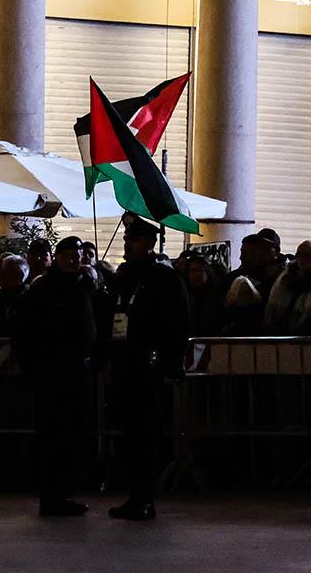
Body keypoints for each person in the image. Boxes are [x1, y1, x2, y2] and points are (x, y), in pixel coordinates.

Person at [107, 215, 189, 521]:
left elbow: (178, 324)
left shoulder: (164, 278)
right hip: (124, 365)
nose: (128, 245)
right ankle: (133, 493)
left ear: (150, 244)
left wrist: (172, 362)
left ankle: (144, 497)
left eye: (135, 240)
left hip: (148, 366)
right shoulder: (124, 275)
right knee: (128, 434)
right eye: (127, 240)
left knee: (146, 435)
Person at [10, 236, 96, 516]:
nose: (74, 259)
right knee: (54, 437)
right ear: (57, 257)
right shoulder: (43, 289)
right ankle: (52, 495)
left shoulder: (82, 287)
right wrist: (34, 368)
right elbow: (24, 330)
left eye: (78, 255)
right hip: (53, 374)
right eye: (68, 254)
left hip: (77, 372)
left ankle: (65, 492)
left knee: (72, 436)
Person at [262, 240, 311, 336]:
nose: (302, 259)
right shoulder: (286, 280)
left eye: (307, 256)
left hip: (307, 337)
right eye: (299, 255)